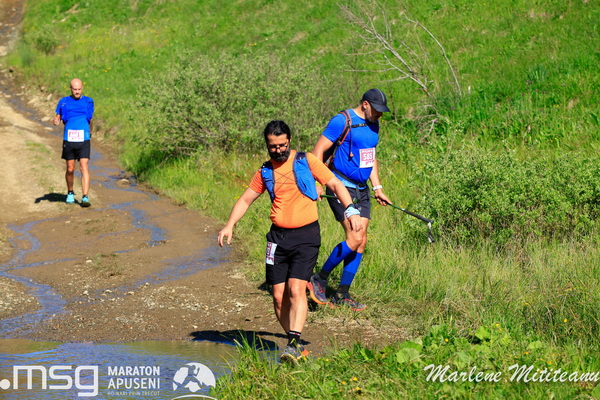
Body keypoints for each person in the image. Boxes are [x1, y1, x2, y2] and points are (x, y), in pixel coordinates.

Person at [218, 120, 363, 363]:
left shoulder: (306, 161)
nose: (278, 150)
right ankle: (293, 344)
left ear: (290, 141)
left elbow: (334, 183)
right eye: (273, 146)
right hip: (277, 238)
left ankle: (293, 344)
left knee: (296, 289)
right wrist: (229, 224)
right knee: (278, 296)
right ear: (267, 145)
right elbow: (245, 200)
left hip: (306, 236)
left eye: (282, 145)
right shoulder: (265, 171)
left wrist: (351, 209)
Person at [308, 88, 392, 311]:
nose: (380, 115)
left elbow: (370, 156)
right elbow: (318, 151)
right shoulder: (342, 120)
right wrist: (318, 182)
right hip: (340, 185)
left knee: (361, 241)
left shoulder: (374, 123)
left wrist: (378, 187)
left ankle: (342, 294)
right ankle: (319, 279)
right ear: (365, 104)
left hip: (363, 189)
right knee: (354, 238)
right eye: (377, 110)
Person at [53, 78, 94, 207]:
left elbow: (90, 119)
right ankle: (70, 192)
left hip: (84, 139)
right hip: (69, 139)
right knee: (70, 169)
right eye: (75, 89)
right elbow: (58, 117)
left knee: (84, 167)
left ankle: (85, 197)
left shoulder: (89, 101)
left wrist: (90, 133)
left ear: (82, 88)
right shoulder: (64, 102)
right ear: (70, 88)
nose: (77, 92)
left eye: (79, 89)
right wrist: (56, 121)